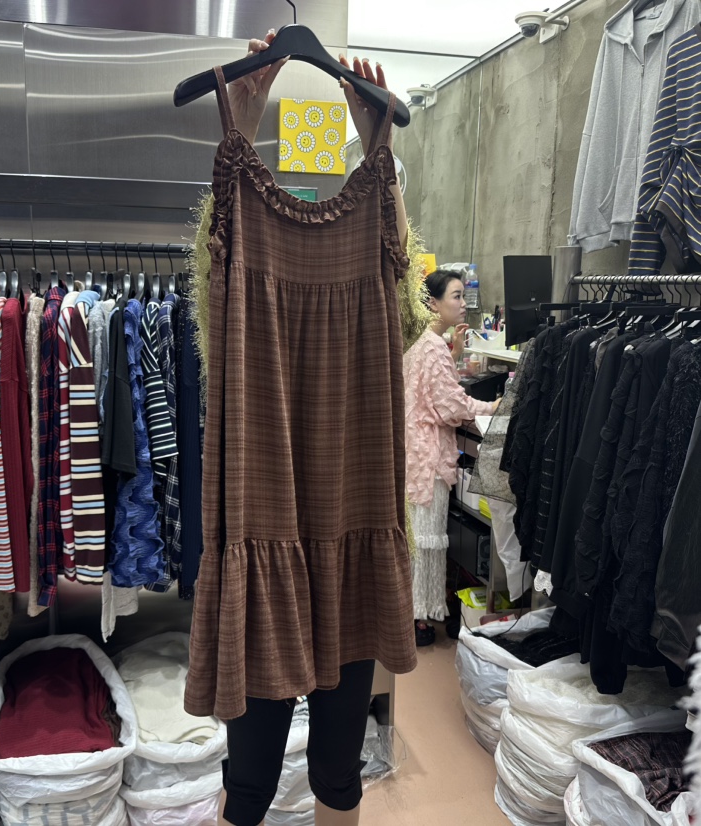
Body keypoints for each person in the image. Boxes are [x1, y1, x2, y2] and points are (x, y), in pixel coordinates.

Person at [199, 31, 413, 826]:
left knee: (337, 772)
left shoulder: (380, 219)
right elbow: (210, 277)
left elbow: (408, 301)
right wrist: (243, 124)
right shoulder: (232, 223)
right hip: (265, 509)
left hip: (353, 508)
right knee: (251, 779)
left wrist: (376, 144)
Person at [403, 270, 498, 646]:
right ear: (433, 303)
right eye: (456, 296)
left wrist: (453, 355)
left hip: (414, 452)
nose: (463, 303)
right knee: (425, 542)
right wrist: (493, 406)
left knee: (417, 540)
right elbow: (450, 406)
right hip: (427, 457)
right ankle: (417, 619)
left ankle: (412, 614)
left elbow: (433, 390)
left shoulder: (423, 341)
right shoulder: (431, 346)